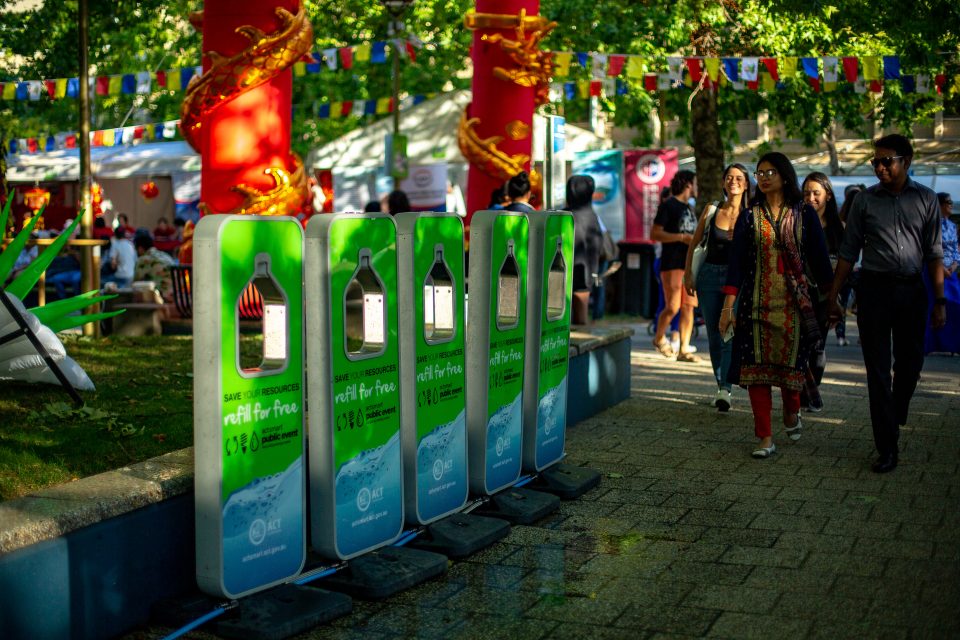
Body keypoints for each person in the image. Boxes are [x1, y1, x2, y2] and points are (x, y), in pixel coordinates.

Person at [827, 134, 946, 474]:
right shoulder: (865, 200)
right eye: (875, 162)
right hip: (874, 291)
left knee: (910, 363)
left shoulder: (926, 199)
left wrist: (939, 300)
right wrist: (833, 296)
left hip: (912, 291)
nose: (879, 167)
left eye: (886, 161)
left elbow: (934, 253)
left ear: (906, 161)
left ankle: (897, 407)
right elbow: (849, 252)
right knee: (877, 371)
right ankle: (887, 446)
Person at [719, 152, 833, 459]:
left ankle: (792, 410)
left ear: (784, 175)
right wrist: (727, 308)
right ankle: (765, 437)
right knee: (756, 372)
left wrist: (831, 300)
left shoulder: (804, 213)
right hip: (755, 304)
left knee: (791, 369)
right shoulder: (749, 216)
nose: (764, 178)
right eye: (760, 173)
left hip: (795, 306)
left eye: (770, 172)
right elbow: (736, 265)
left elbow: (821, 261)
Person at [684, 164, 751, 411]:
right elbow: (694, 243)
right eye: (729, 177)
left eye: (739, 178)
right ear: (724, 182)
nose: (733, 181)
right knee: (714, 334)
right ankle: (720, 385)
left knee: (728, 330)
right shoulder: (712, 209)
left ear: (746, 184)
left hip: (738, 280)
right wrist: (688, 275)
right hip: (709, 276)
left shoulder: (751, 214)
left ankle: (725, 388)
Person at [799, 172, 844, 412]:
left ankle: (812, 390)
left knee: (817, 345)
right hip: (799, 293)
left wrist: (837, 297)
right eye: (807, 193)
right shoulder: (796, 223)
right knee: (799, 345)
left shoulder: (838, 228)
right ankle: (802, 394)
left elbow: (846, 265)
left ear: (828, 195)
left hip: (827, 295)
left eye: (816, 193)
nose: (811, 198)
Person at [651, 170, 699, 362]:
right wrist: (681, 237)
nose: (697, 187)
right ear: (688, 184)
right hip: (672, 263)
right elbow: (655, 233)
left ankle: (684, 350)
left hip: (690, 265)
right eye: (695, 182)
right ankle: (659, 338)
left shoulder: (690, 208)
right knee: (672, 306)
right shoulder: (668, 205)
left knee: (689, 307)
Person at [567, 175, 603, 320]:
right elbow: (596, 245)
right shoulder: (591, 216)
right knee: (581, 317)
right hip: (585, 271)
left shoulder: (563, 216)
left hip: (561, 271)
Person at [134, 234, 176, 301]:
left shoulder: (143, 260)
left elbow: (135, 283)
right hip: (176, 294)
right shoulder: (165, 255)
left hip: (163, 296)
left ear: (140, 248)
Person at [938, 192, 958, 278]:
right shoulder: (932, 224)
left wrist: (955, 264)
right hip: (936, 271)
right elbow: (928, 249)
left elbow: (955, 248)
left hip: (951, 271)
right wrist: (941, 268)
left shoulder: (952, 226)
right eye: (949, 202)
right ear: (940, 205)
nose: (951, 205)